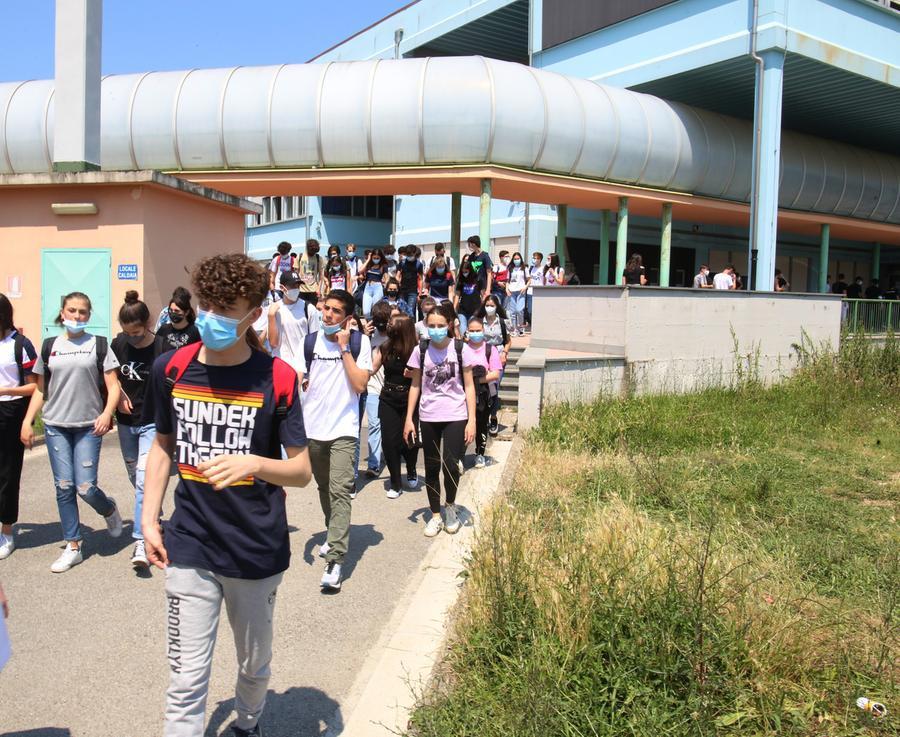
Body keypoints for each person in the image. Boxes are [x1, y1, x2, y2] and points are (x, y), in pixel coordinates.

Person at [140, 253, 310, 737]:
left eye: (227, 308)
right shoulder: (171, 369)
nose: (212, 316)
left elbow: (300, 472)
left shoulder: (276, 379)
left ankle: (248, 724)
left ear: (254, 314)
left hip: (256, 548)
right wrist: (150, 521)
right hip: (190, 541)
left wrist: (255, 464)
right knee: (186, 679)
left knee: (254, 666)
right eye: (208, 304)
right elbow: (162, 449)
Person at [21, 291, 123, 573]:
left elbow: (113, 387)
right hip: (55, 425)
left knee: (86, 488)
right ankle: (73, 545)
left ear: (88, 315)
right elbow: (41, 388)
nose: (76, 316)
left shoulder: (99, 345)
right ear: (62, 312)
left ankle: (109, 509)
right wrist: (28, 420)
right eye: (72, 310)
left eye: (82, 312)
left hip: (89, 426)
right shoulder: (50, 346)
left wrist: (106, 413)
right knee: (64, 487)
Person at [297, 289, 372, 592]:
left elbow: (359, 384)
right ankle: (334, 533)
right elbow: (303, 380)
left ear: (348, 318)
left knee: (341, 491)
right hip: (314, 429)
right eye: (325, 308)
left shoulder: (359, 343)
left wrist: (345, 349)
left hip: (344, 428)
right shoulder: (310, 341)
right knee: (325, 487)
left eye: (335, 311)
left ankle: (336, 560)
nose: (327, 314)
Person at [404, 302, 476, 537]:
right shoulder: (420, 350)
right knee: (432, 466)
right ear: (425, 325)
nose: (436, 329)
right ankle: (435, 515)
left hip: (455, 414)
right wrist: (409, 418)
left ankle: (451, 508)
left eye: (440, 325)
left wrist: (472, 419)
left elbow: (469, 385)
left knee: (450, 464)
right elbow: (415, 385)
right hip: (428, 415)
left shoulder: (460, 349)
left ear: (449, 325)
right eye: (431, 325)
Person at [111, 291, 158, 569]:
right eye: (127, 333)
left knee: (143, 479)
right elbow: (110, 376)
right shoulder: (119, 345)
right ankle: (153, 511)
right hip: (126, 423)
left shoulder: (162, 347)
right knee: (134, 475)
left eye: (137, 332)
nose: (132, 337)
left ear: (147, 323)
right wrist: (118, 396)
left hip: (152, 422)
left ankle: (140, 540)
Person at [0, 294, 37, 560]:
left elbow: (35, 385)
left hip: (10, 410)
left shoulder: (20, 345)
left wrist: (4, 389)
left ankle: (7, 530)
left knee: (7, 473)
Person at [373, 313, 420, 499]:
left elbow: (427, 376)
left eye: (392, 324)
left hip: (411, 397)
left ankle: (411, 468)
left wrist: (415, 375)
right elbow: (371, 369)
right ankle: (395, 482)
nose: (388, 326)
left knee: (410, 439)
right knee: (389, 441)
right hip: (388, 397)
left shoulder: (417, 350)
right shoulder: (384, 348)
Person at [463, 316, 502, 469]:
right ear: (467, 332)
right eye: (471, 331)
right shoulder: (462, 349)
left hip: (483, 395)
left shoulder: (489, 349)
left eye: (478, 330)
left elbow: (495, 374)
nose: (475, 333)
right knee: (461, 425)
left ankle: (480, 454)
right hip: (464, 394)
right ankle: (460, 455)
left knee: (481, 425)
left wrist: (475, 380)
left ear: (483, 330)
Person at [357, 301, 390, 483]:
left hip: (391, 387)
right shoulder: (367, 337)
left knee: (388, 426)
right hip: (372, 387)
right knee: (374, 424)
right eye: (377, 321)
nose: (380, 325)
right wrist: (364, 335)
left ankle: (388, 452)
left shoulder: (394, 336)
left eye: (383, 321)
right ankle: (374, 464)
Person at [267, 270, 319, 374]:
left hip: (302, 368)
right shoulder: (274, 309)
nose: (296, 289)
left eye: (297, 286)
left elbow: (315, 341)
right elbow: (273, 343)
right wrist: (271, 316)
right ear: (282, 288)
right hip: (281, 365)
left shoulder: (308, 309)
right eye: (292, 286)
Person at [478, 295, 511, 436]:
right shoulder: (479, 322)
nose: (489, 308)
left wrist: (504, 352)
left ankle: (493, 418)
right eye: (487, 305)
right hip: (483, 354)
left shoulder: (503, 322)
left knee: (494, 386)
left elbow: (508, 341)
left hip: (498, 355)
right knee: (485, 386)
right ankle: (482, 416)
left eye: (492, 305)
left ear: (497, 306)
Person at [155, 287, 201, 354]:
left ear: (186, 312)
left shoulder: (195, 332)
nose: (173, 313)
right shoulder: (163, 329)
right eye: (171, 310)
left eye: (177, 311)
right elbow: (157, 353)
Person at [454, 257, 483, 336]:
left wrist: (483, 309)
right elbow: (457, 295)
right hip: (463, 310)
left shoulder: (478, 279)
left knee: (472, 331)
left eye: (466, 271)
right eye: (463, 272)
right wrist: (454, 308)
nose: (464, 273)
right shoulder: (461, 280)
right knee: (462, 330)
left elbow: (483, 294)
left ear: (470, 270)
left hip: (475, 310)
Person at [358, 248, 387, 318]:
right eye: (374, 258)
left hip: (378, 287)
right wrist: (368, 259)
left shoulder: (383, 266)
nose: (376, 259)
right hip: (368, 287)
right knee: (366, 312)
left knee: (375, 310)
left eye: (378, 258)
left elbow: (386, 277)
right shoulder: (369, 265)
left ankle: (374, 326)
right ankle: (369, 324)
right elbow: (360, 270)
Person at [505, 251, 528, 336]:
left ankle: (521, 328)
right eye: (515, 259)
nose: (516, 260)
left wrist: (525, 287)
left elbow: (529, 280)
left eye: (518, 258)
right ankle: (515, 329)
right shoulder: (510, 268)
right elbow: (508, 281)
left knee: (519, 310)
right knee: (512, 312)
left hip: (521, 291)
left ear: (521, 259)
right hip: (512, 291)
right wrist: (507, 289)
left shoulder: (524, 268)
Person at [298, 239, 324, 305]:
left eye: (315, 252)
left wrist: (319, 289)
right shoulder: (300, 257)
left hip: (313, 290)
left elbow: (321, 276)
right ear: (307, 248)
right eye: (312, 251)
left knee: (312, 311)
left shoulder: (319, 258)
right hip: (301, 290)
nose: (313, 253)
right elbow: (296, 274)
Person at [525, 251, 544, 329]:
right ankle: (531, 323)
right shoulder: (531, 268)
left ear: (540, 259)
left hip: (539, 292)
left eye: (536, 258)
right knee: (530, 310)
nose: (534, 260)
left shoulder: (543, 268)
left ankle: (537, 325)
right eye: (533, 258)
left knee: (538, 310)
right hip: (530, 291)